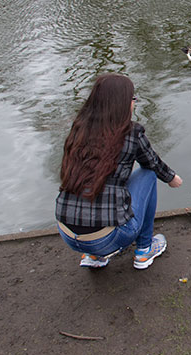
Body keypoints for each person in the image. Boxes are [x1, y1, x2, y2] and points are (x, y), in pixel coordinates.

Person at [55, 73, 182, 269]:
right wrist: (172, 178)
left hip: (67, 233)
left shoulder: (78, 128)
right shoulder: (131, 133)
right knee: (148, 174)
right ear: (123, 102)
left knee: (90, 184)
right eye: (132, 98)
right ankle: (144, 250)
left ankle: (93, 257)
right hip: (105, 238)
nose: (134, 103)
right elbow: (153, 163)